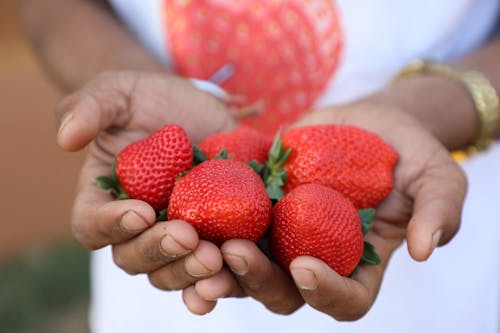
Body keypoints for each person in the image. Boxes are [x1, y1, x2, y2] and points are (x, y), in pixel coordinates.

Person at [21, 0, 499, 332]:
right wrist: (129, 82)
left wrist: (443, 105)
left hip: (443, 291)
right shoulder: (199, 166)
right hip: (158, 314)